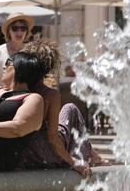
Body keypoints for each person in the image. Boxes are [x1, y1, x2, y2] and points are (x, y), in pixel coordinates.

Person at [18, 40, 103, 177]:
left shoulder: (18, 89)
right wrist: (72, 161)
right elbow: (52, 137)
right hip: (47, 155)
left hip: (27, 154)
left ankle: (94, 156)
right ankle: (82, 158)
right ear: (50, 66)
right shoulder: (50, 94)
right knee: (71, 109)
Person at [0, 12, 34, 89]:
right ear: (9, 31)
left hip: (26, 98)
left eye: (23, 28)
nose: (19, 32)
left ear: (26, 31)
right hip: (3, 98)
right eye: (15, 28)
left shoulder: (31, 52)